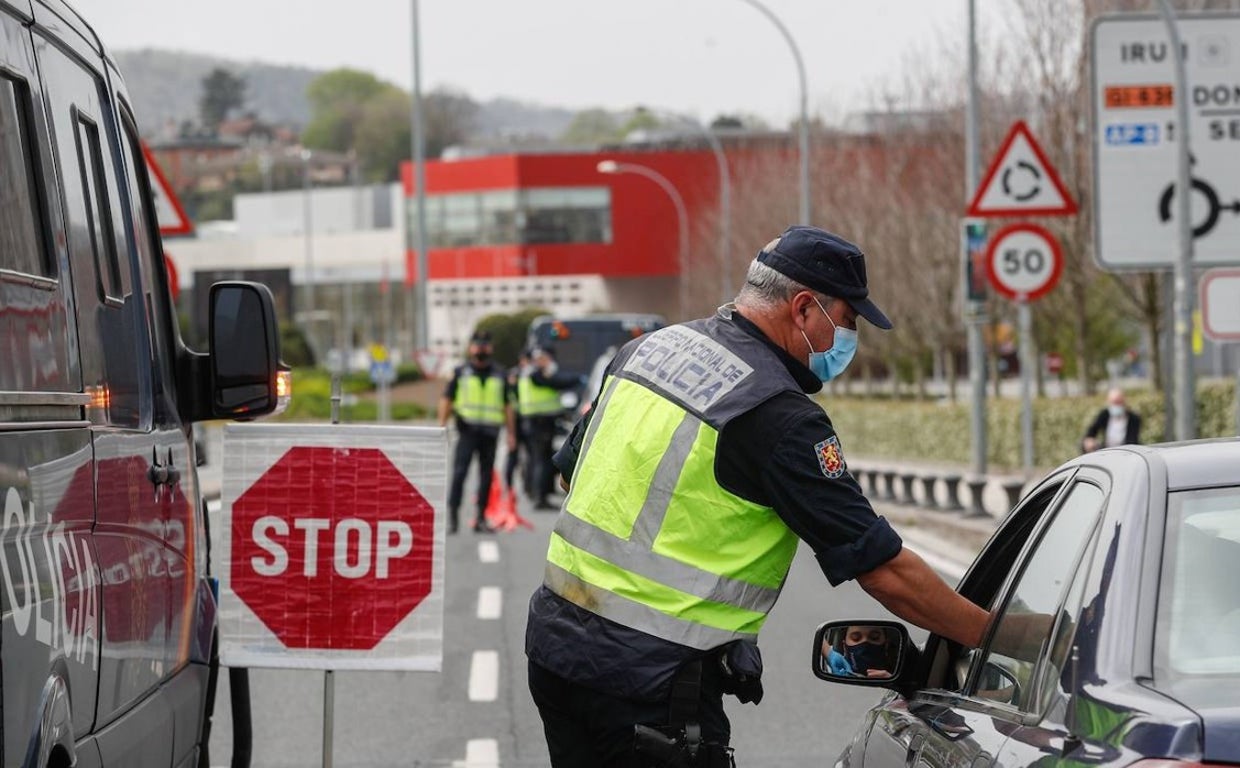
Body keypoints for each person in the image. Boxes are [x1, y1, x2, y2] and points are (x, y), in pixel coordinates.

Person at [524, 225, 997, 767]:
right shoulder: (778, 415)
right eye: (847, 321)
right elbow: (883, 571)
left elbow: (574, 475)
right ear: (803, 309)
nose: (849, 338)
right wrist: (998, 636)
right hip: (650, 688)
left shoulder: (647, 350)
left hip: (556, 651)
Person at [438, 331, 516, 534]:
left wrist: (511, 434)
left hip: (490, 433)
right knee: (459, 474)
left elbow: (508, 406)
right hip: (467, 431)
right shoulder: (460, 372)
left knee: (486, 477)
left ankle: (481, 518)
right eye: (477, 345)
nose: (481, 349)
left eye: (485, 345)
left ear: (491, 348)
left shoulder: (500, 374)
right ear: (470, 348)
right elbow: (447, 399)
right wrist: (442, 426)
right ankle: (453, 519)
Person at [519, 346, 583, 510]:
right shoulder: (535, 374)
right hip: (539, 422)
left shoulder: (530, 372)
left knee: (540, 459)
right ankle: (539, 497)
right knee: (540, 460)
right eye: (544, 358)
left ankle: (539, 494)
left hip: (538, 421)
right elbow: (557, 382)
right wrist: (578, 379)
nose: (548, 362)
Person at [1081, 387, 1141, 453]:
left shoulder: (1133, 418)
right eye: (1114, 402)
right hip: (1106, 451)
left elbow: (1132, 440)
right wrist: (1089, 440)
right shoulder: (1104, 414)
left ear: (1124, 402)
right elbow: (1092, 430)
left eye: (1119, 402)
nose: (1117, 405)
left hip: (1126, 452)